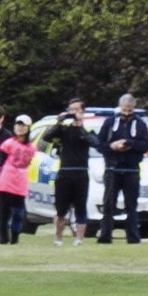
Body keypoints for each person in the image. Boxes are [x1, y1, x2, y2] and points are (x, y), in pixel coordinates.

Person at [89, 94, 148, 244]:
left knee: (131, 206)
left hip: (132, 171)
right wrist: (112, 146)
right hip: (112, 170)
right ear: (120, 107)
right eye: (124, 110)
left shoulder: (140, 124)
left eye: (129, 110)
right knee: (108, 204)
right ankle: (105, 236)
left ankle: (133, 238)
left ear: (133, 108)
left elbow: (146, 145)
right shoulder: (109, 122)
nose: (127, 113)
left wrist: (128, 143)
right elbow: (99, 144)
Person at [41, 99, 93, 244]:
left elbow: (95, 142)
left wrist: (80, 125)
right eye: (71, 110)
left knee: (81, 208)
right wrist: (59, 122)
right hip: (65, 173)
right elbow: (47, 137)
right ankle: (58, 238)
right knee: (61, 209)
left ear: (83, 112)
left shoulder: (87, 130)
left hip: (81, 173)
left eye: (76, 110)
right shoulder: (64, 130)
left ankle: (79, 239)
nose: (73, 113)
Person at [0, 115, 36, 244]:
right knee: (3, 212)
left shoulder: (31, 147)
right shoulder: (9, 143)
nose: (20, 128)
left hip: (20, 181)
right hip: (6, 180)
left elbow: (29, 162)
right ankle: (3, 238)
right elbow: (1, 161)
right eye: (18, 125)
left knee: (18, 212)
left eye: (23, 125)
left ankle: (15, 238)